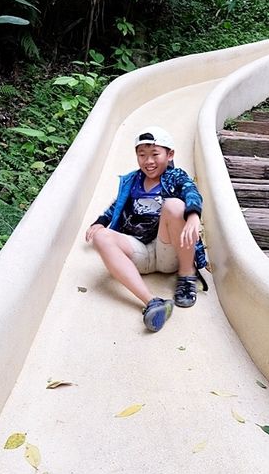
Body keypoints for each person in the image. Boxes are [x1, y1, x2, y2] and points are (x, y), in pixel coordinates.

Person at [85, 126, 207, 332]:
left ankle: (187, 276)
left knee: (175, 206)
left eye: (154, 154)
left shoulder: (175, 176)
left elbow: (191, 191)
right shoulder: (133, 180)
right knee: (101, 237)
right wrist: (100, 222)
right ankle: (152, 302)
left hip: (168, 249)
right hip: (139, 251)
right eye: (142, 155)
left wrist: (193, 214)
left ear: (170, 155)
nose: (148, 161)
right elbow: (118, 206)